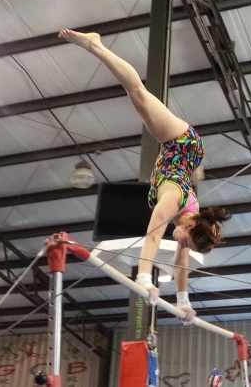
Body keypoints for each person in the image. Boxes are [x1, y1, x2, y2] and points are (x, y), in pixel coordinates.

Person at [59, 29, 230, 323]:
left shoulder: (187, 220)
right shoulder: (174, 200)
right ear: (190, 227)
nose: (182, 246)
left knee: (136, 97)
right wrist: (144, 279)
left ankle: (97, 46)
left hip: (182, 156)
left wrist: (184, 303)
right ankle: (95, 44)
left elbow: (180, 266)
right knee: (138, 92)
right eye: (186, 242)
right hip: (181, 143)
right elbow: (151, 237)